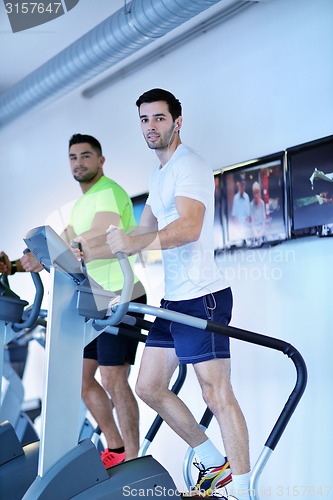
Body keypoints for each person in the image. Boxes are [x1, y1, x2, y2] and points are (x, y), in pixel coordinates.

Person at [107, 89, 251, 499]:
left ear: (177, 121)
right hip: (173, 300)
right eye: (144, 119)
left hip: (203, 294)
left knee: (215, 392)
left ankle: (242, 489)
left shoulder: (190, 165)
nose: (150, 126)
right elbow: (138, 232)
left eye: (158, 118)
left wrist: (136, 244)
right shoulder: (158, 174)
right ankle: (211, 459)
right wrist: (87, 252)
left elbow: (189, 228)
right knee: (149, 385)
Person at [0, 133, 147, 469]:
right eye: (73, 157)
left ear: (100, 160)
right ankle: (117, 447)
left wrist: (73, 246)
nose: (78, 163)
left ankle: (135, 458)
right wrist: (13, 265)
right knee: (81, 381)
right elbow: (53, 248)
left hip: (119, 297)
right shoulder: (80, 204)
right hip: (91, 302)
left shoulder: (108, 192)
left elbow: (99, 233)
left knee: (112, 378)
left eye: (85, 156)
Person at [230, 174, 251, 241]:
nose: (242, 187)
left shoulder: (247, 197)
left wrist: (245, 226)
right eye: (240, 185)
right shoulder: (235, 198)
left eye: (243, 185)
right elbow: (233, 216)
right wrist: (239, 227)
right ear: (238, 186)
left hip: (246, 227)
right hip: (237, 228)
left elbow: (249, 216)